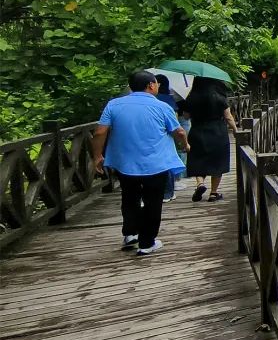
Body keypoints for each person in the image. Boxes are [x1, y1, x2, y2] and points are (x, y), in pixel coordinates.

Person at [92, 70, 189, 256]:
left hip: (124, 163)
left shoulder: (113, 105)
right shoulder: (162, 107)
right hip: (156, 163)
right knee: (153, 201)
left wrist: (97, 156)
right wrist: (185, 145)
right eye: (156, 84)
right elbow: (180, 132)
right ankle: (147, 243)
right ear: (151, 85)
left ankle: (130, 233)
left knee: (129, 197)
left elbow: (99, 132)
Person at [180, 77, 237, 202]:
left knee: (198, 159)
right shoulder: (219, 97)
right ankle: (213, 193)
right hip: (217, 132)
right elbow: (228, 117)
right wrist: (235, 130)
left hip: (197, 131)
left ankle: (200, 184)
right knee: (218, 162)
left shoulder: (192, 98)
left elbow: (185, 116)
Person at [153, 74, 183, 201]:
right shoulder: (168, 99)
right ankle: (168, 192)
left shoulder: (152, 98)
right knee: (167, 161)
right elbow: (175, 118)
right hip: (166, 133)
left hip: (151, 134)